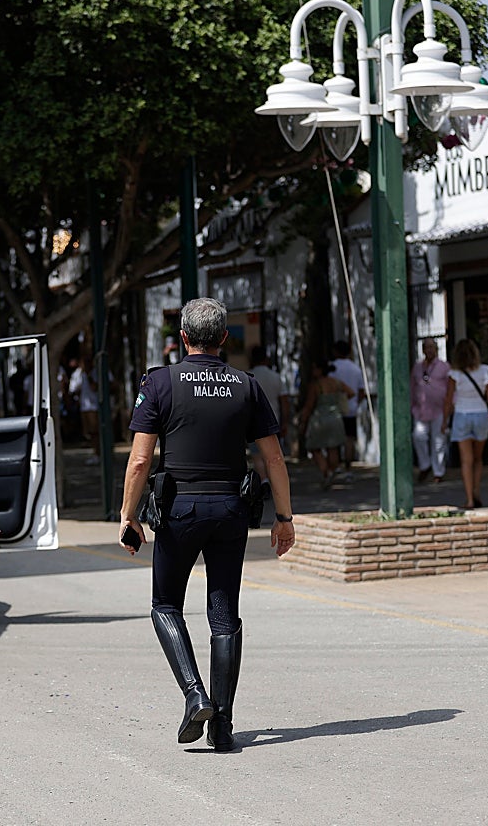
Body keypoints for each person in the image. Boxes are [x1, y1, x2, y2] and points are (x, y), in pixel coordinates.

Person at [117, 297, 294, 752]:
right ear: (223, 339)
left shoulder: (160, 383)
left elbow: (140, 460)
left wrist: (128, 516)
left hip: (180, 513)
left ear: (182, 339)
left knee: (165, 605)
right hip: (231, 512)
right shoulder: (246, 385)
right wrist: (284, 517)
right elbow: (272, 455)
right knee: (223, 616)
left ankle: (195, 693)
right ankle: (224, 726)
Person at [444, 339, 488, 509]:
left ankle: (469, 498)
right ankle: (476, 491)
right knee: (478, 459)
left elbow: (449, 399)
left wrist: (444, 420)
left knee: (466, 460)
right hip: (481, 415)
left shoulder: (455, 374)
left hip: (462, 415)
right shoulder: (484, 371)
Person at [298, 362, 354, 488]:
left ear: (319, 370)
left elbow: (309, 405)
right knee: (332, 447)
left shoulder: (316, 385)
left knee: (314, 447)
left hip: (320, 418)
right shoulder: (337, 382)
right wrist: (339, 401)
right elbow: (351, 392)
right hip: (336, 417)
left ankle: (325, 472)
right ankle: (333, 470)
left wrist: (303, 421)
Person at [410, 338, 450, 483]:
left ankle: (438, 471)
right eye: (427, 348)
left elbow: (451, 388)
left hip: (439, 409)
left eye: (432, 347)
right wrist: (411, 404)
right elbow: (412, 386)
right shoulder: (418, 367)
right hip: (421, 409)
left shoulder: (444, 367)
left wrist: (450, 406)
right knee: (418, 437)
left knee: (439, 441)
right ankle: (425, 465)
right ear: (423, 350)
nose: (430, 350)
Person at [329, 340, 366, 474]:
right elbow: (361, 390)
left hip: (335, 408)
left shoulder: (332, 367)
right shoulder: (355, 368)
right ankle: (348, 466)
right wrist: (356, 402)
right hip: (351, 408)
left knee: (335, 438)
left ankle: (336, 465)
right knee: (349, 438)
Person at [248, 345, 290, 455]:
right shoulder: (276, 377)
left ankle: (261, 473)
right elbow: (284, 402)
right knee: (273, 455)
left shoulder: (246, 377)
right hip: (273, 420)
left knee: (257, 456)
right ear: (266, 359)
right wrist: (285, 422)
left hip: (253, 421)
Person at [69, 355, 101, 464]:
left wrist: (88, 376)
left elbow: (94, 387)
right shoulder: (78, 374)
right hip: (85, 406)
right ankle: (95, 453)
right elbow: (73, 389)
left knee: (96, 431)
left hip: (95, 406)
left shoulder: (96, 372)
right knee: (89, 432)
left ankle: (99, 453)